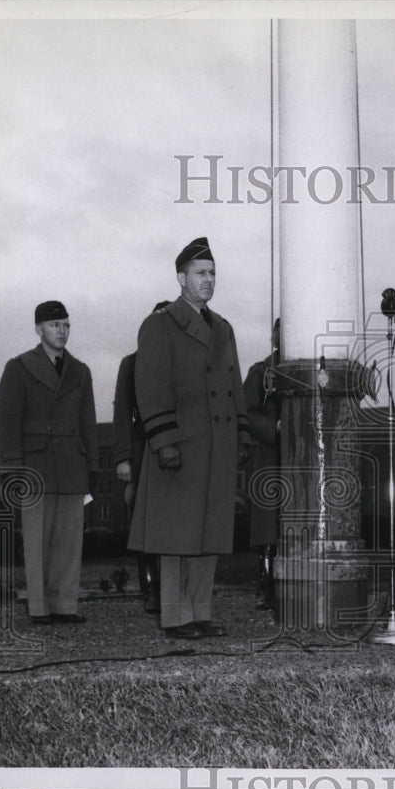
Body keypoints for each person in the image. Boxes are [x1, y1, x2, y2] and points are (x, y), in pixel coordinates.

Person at [127, 237, 252, 639]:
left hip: (217, 446)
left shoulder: (225, 328)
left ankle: (200, 612)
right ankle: (175, 617)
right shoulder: (160, 325)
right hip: (181, 446)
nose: (209, 280)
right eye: (201, 273)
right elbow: (150, 388)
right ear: (181, 278)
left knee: (209, 534)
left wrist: (243, 434)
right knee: (176, 536)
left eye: (213, 272)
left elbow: (234, 386)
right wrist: (164, 442)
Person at [0, 300, 99, 624]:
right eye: (55, 326)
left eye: (66, 325)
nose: (62, 331)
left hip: (70, 465)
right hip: (34, 466)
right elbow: (6, 422)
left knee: (69, 541)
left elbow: (88, 422)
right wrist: (11, 467)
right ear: (39, 329)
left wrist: (93, 465)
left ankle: (65, 605)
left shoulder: (80, 371)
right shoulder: (19, 367)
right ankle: (39, 607)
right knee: (36, 542)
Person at [112, 301, 172, 614]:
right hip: (143, 450)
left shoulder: (182, 362)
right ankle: (151, 588)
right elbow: (122, 412)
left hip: (178, 452)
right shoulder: (131, 364)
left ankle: (175, 592)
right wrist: (123, 459)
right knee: (143, 519)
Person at [242, 318, 281, 611]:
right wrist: (275, 427)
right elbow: (245, 413)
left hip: (299, 462)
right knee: (268, 527)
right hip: (269, 457)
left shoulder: (308, 370)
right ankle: (268, 589)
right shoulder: (261, 372)